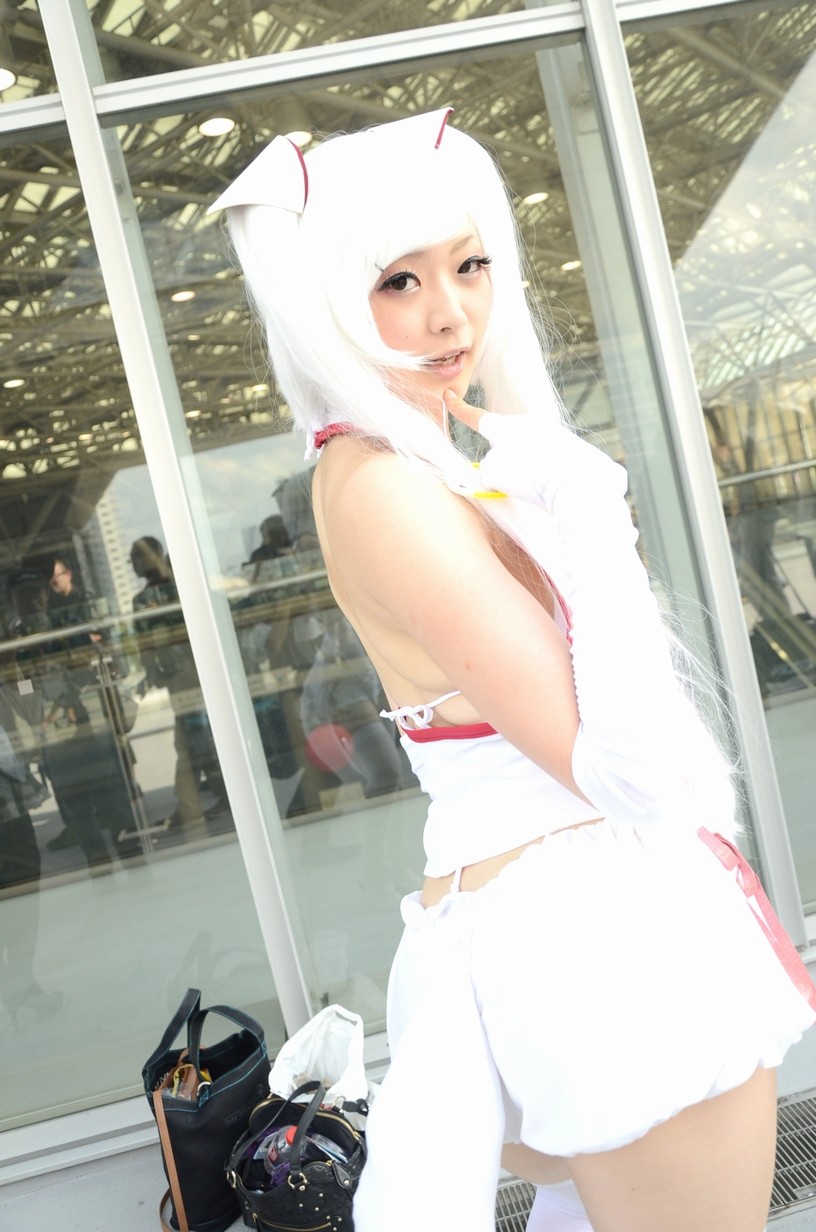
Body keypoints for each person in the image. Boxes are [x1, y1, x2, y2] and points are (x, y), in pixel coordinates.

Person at [211, 109, 816, 1232]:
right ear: (330, 300)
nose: (451, 313)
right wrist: (596, 513)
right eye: (398, 280)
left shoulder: (419, 466)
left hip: (569, 920)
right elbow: (629, 774)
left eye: (471, 264)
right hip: (600, 934)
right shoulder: (385, 486)